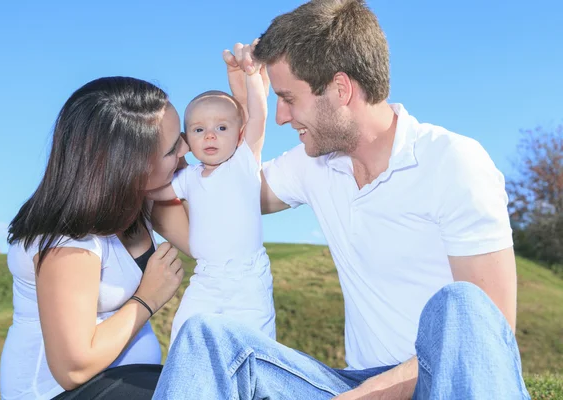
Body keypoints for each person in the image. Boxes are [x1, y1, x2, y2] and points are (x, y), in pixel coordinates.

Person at [152, 0, 531, 399]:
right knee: (204, 335)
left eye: (289, 98)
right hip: (353, 383)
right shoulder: (312, 165)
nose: (281, 116)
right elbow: (226, 195)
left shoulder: (453, 162)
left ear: (340, 89)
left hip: (443, 386)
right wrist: (244, 104)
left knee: (463, 305)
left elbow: (486, 342)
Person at [0, 76, 191, 399]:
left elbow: (210, 241)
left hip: (121, 383)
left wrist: (247, 116)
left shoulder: (138, 201)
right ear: (130, 168)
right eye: (174, 148)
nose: (187, 148)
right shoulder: (67, 242)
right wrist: (148, 299)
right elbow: (73, 367)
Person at [149, 58, 276, 348]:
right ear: (186, 141)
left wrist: (253, 76)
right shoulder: (188, 178)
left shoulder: (243, 163)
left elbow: (257, 117)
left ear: (239, 134)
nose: (209, 135)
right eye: (198, 130)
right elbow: (154, 192)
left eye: (221, 128)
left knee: (256, 348)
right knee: (185, 336)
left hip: (247, 279)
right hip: (206, 277)